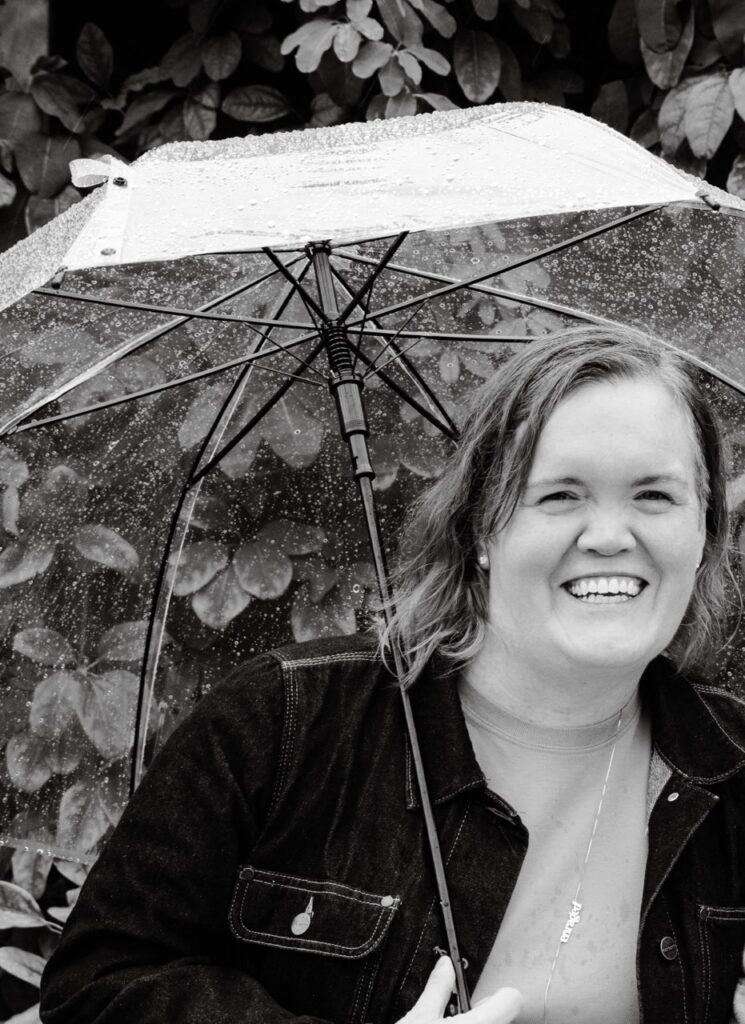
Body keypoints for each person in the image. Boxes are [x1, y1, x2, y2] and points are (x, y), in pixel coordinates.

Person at [39, 326, 745, 1024]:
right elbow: (97, 987)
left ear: (703, 532)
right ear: (479, 532)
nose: (608, 536)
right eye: (559, 495)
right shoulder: (284, 723)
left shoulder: (734, 765)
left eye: (654, 496)